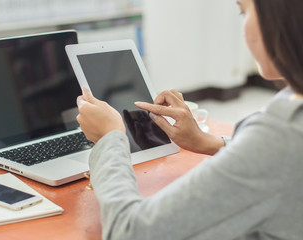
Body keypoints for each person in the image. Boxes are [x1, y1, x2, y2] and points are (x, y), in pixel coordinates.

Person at [76, 0, 303, 239]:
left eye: (243, 11)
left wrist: (109, 139)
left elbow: (131, 232)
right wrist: (211, 143)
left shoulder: (282, 133)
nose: (243, 28)